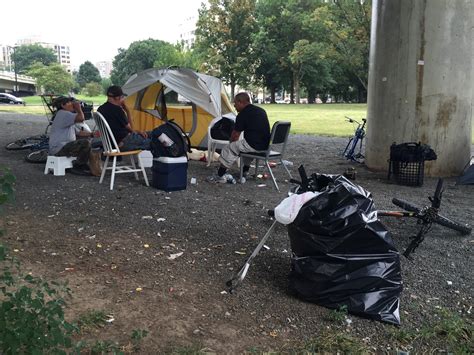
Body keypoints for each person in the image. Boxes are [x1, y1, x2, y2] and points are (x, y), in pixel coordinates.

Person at [207, 92, 270, 183]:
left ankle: (220, 175)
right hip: (265, 145)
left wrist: (231, 144)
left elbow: (235, 135)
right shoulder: (261, 110)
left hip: (253, 145)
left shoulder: (242, 114)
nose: (235, 106)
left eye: (235, 103)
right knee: (244, 146)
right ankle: (244, 171)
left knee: (229, 148)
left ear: (240, 102)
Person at [48, 96, 95, 176]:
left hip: (61, 147)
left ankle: (81, 164)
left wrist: (91, 134)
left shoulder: (64, 115)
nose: (72, 104)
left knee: (86, 142)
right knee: (85, 143)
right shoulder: (64, 114)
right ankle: (78, 166)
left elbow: (78, 132)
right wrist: (78, 108)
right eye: (69, 103)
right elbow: (81, 118)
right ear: (63, 105)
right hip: (59, 148)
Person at [97, 85, 150, 151]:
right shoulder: (117, 110)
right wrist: (127, 111)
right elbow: (132, 129)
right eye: (122, 97)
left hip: (110, 144)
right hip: (124, 143)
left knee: (151, 134)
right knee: (155, 141)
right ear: (117, 98)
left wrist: (138, 132)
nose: (123, 99)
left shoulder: (100, 109)